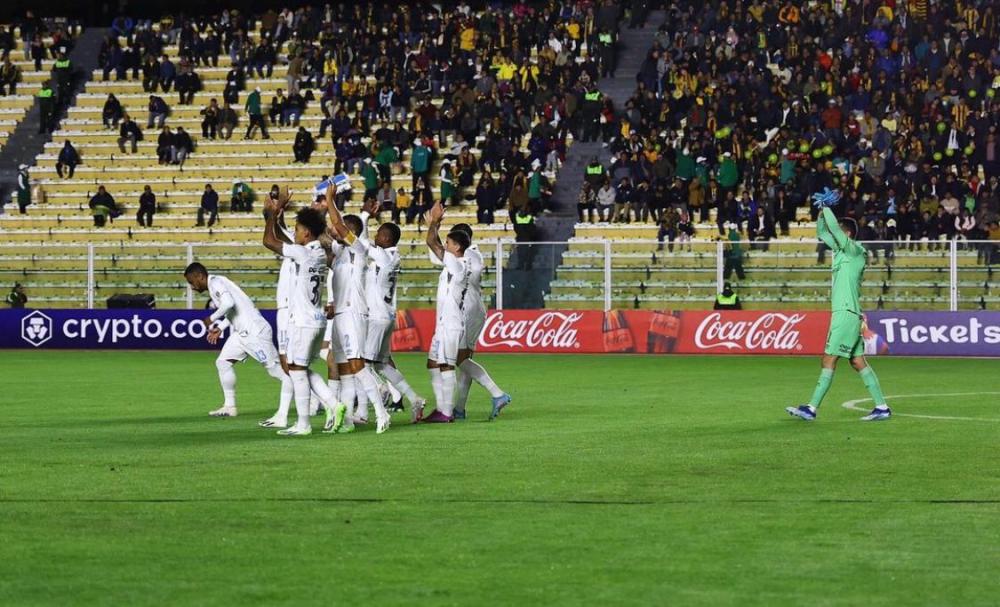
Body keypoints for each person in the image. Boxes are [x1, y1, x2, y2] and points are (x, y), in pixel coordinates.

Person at [787, 189, 891, 422]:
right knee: (857, 361)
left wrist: (827, 208)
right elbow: (823, 231)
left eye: (839, 234)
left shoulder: (856, 251)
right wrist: (820, 211)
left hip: (845, 313)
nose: (833, 238)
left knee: (828, 358)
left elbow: (833, 230)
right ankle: (882, 407)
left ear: (847, 234)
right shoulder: (841, 252)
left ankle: (811, 408)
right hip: (849, 314)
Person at [261, 188, 342, 436]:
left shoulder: (303, 253)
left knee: (295, 370)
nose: (294, 233)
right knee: (301, 368)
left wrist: (274, 214)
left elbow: (268, 242)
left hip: (303, 321)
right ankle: (334, 404)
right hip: (316, 319)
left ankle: (304, 424)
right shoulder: (320, 252)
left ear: (306, 233)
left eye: (297, 230)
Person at [182, 263, 292, 419]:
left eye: (191, 282)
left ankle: (313, 400)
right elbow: (233, 309)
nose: (192, 287)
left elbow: (228, 304)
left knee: (277, 370)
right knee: (222, 362)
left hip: (255, 333)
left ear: (199, 276)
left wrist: (211, 318)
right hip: (242, 334)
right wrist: (220, 327)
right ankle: (229, 406)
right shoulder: (217, 283)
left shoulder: (215, 283)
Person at [322, 196, 393, 434]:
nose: (334, 230)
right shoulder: (339, 251)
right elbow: (323, 237)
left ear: (350, 231)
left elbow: (338, 227)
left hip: (354, 313)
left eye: (338, 228)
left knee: (357, 366)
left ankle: (382, 413)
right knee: (344, 370)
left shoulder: (359, 248)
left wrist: (330, 201)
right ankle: (348, 420)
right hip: (340, 314)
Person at [422, 201, 473, 423]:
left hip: (451, 325)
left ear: (457, 248)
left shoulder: (457, 265)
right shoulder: (453, 264)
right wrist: (435, 225)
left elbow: (431, 241)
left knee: (445, 365)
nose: (446, 245)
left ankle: (447, 411)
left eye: (449, 242)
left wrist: (435, 223)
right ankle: (441, 408)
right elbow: (433, 244)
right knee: (433, 363)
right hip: (443, 324)